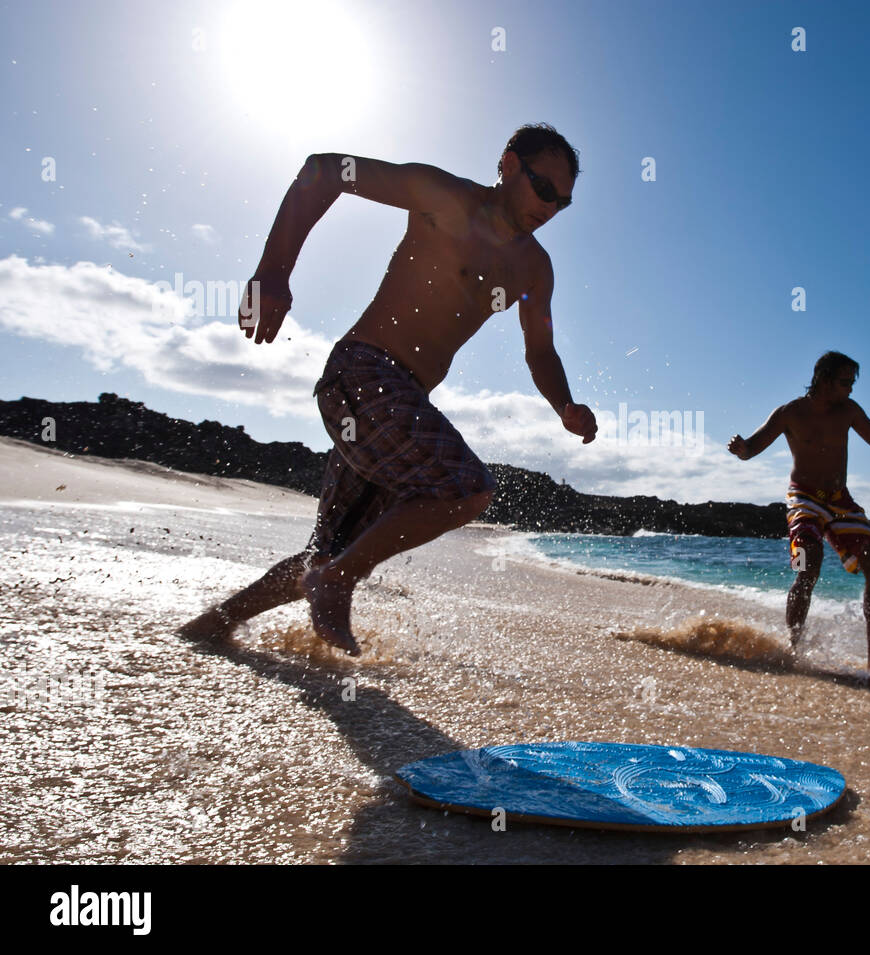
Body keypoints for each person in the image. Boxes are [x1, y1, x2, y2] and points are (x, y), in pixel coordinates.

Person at [178, 123, 597, 655]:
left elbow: (540, 350)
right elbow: (325, 170)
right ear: (510, 165)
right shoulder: (443, 197)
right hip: (362, 373)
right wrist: (273, 272)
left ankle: (212, 626)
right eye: (545, 189)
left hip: (398, 407)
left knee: (324, 553)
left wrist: (564, 405)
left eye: (563, 201)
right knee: (467, 489)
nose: (552, 208)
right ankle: (339, 581)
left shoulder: (535, 267)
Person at [727, 351, 870, 677]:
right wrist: (741, 448)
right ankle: (794, 648)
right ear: (824, 379)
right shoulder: (790, 413)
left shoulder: (849, 411)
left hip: (839, 501)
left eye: (851, 383)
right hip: (804, 499)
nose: (850, 389)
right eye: (846, 382)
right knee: (808, 565)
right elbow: (752, 448)